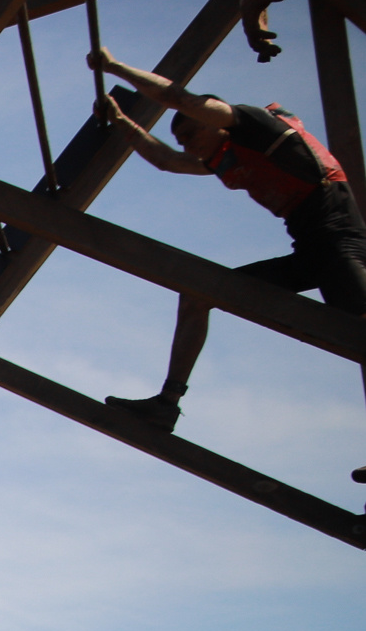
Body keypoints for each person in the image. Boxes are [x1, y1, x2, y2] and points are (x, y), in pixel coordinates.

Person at [88, 46, 366, 454]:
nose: (189, 146)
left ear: (212, 120)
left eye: (192, 135)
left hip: (339, 239)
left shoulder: (252, 125)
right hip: (310, 253)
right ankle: (165, 405)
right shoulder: (225, 157)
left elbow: (179, 99)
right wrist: (119, 121)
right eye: (183, 140)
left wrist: (114, 67)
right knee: (198, 295)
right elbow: (166, 161)